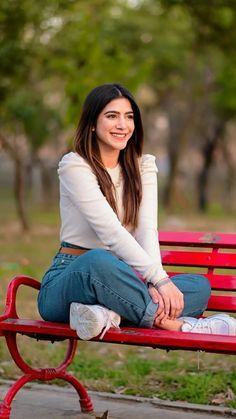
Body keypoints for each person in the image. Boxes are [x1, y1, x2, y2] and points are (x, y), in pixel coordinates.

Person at [37, 83, 236, 339]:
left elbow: (146, 229)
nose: (122, 125)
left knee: (199, 286)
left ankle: (107, 313)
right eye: (112, 116)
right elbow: (110, 231)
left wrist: (156, 281)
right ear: (92, 124)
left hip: (123, 279)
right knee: (99, 260)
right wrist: (159, 281)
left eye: (129, 117)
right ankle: (182, 326)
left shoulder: (143, 166)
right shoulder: (75, 166)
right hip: (73, 275)